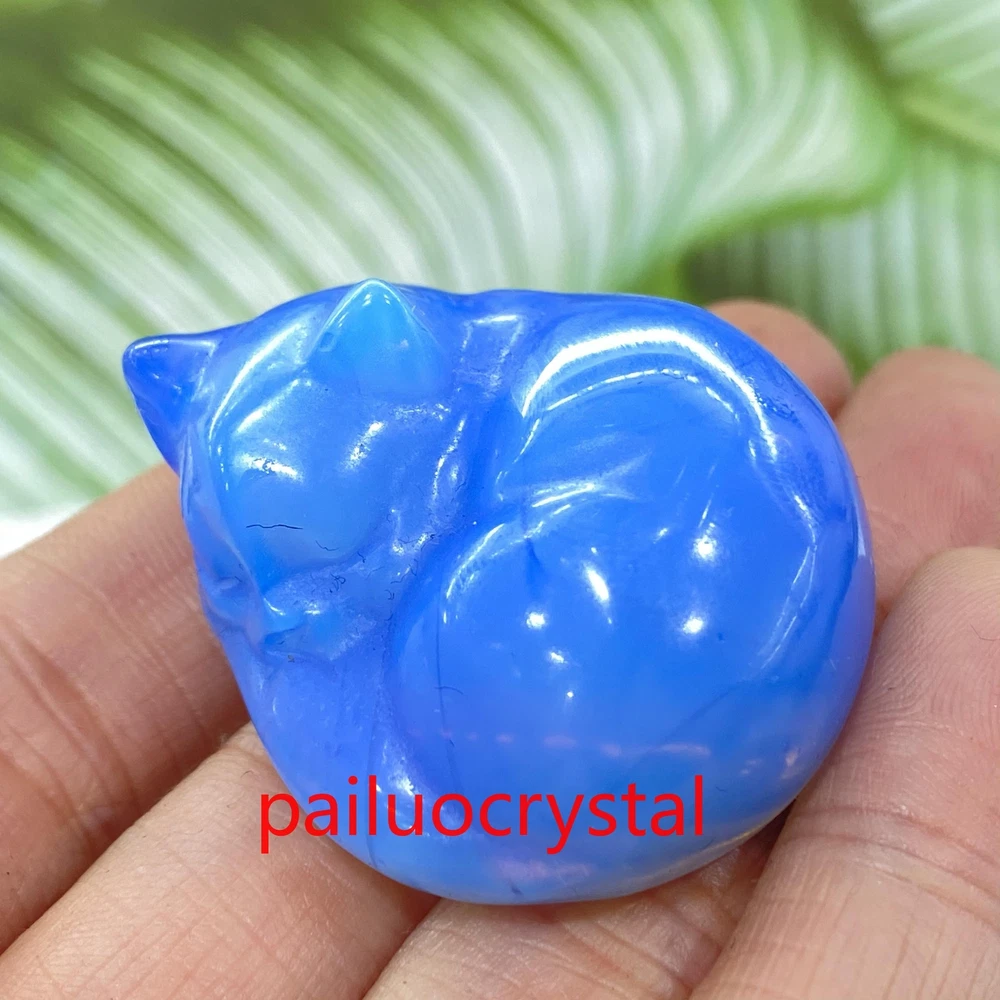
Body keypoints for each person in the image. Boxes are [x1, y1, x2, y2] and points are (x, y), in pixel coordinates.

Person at [0, 300, 997, 999]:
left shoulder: (567, 404)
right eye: (246, 573)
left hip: (630, 683)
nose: (284, 616)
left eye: (330, 561)